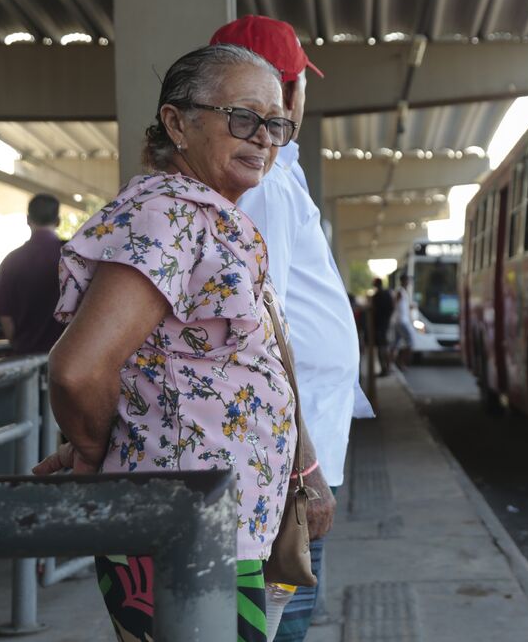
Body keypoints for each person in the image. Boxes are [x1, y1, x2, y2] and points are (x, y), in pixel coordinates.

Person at [32, 43, 333, 642]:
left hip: (219, 521)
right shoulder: (167, 215)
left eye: (276, 123)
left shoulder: (208, 215)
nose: (264, 138)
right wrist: (92, 451)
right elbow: (78, 369)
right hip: (182, 527)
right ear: (177, 122)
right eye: (243, 118)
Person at [211, 14, 375, 641]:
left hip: (287, 440)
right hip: (285, 452)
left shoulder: (274, 177)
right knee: (284, 609)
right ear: (284, 91)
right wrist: (304, 469)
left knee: (277, 605)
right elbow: (260, 327)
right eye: (301, 81)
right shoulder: (267, 185)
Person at [0, 194, 65, 354]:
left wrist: (20, 345)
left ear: (28, 219)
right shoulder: (71, 255)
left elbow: (4, 314)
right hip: (70, 357)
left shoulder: (11, 260)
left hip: (26, 357)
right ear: (58, 221)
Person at [370, 277, 394, 375]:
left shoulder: (377, 296)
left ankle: (385, 369)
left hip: (380, 326)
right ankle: (387, 368)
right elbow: (392, 308)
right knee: (385, 347)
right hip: (385, 324)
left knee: (381, 348)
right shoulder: (387, 294)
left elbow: (374, 310)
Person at [392, 273, 414, 368]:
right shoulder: (400, 291)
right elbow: (395, 304)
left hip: (401, 320)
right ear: (403, 281)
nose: (408, 282)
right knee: (410, 342)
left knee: (396, 344)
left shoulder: (403, 292)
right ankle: (400, 362)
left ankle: (392, 363)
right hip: (401, 321)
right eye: (407, 280)